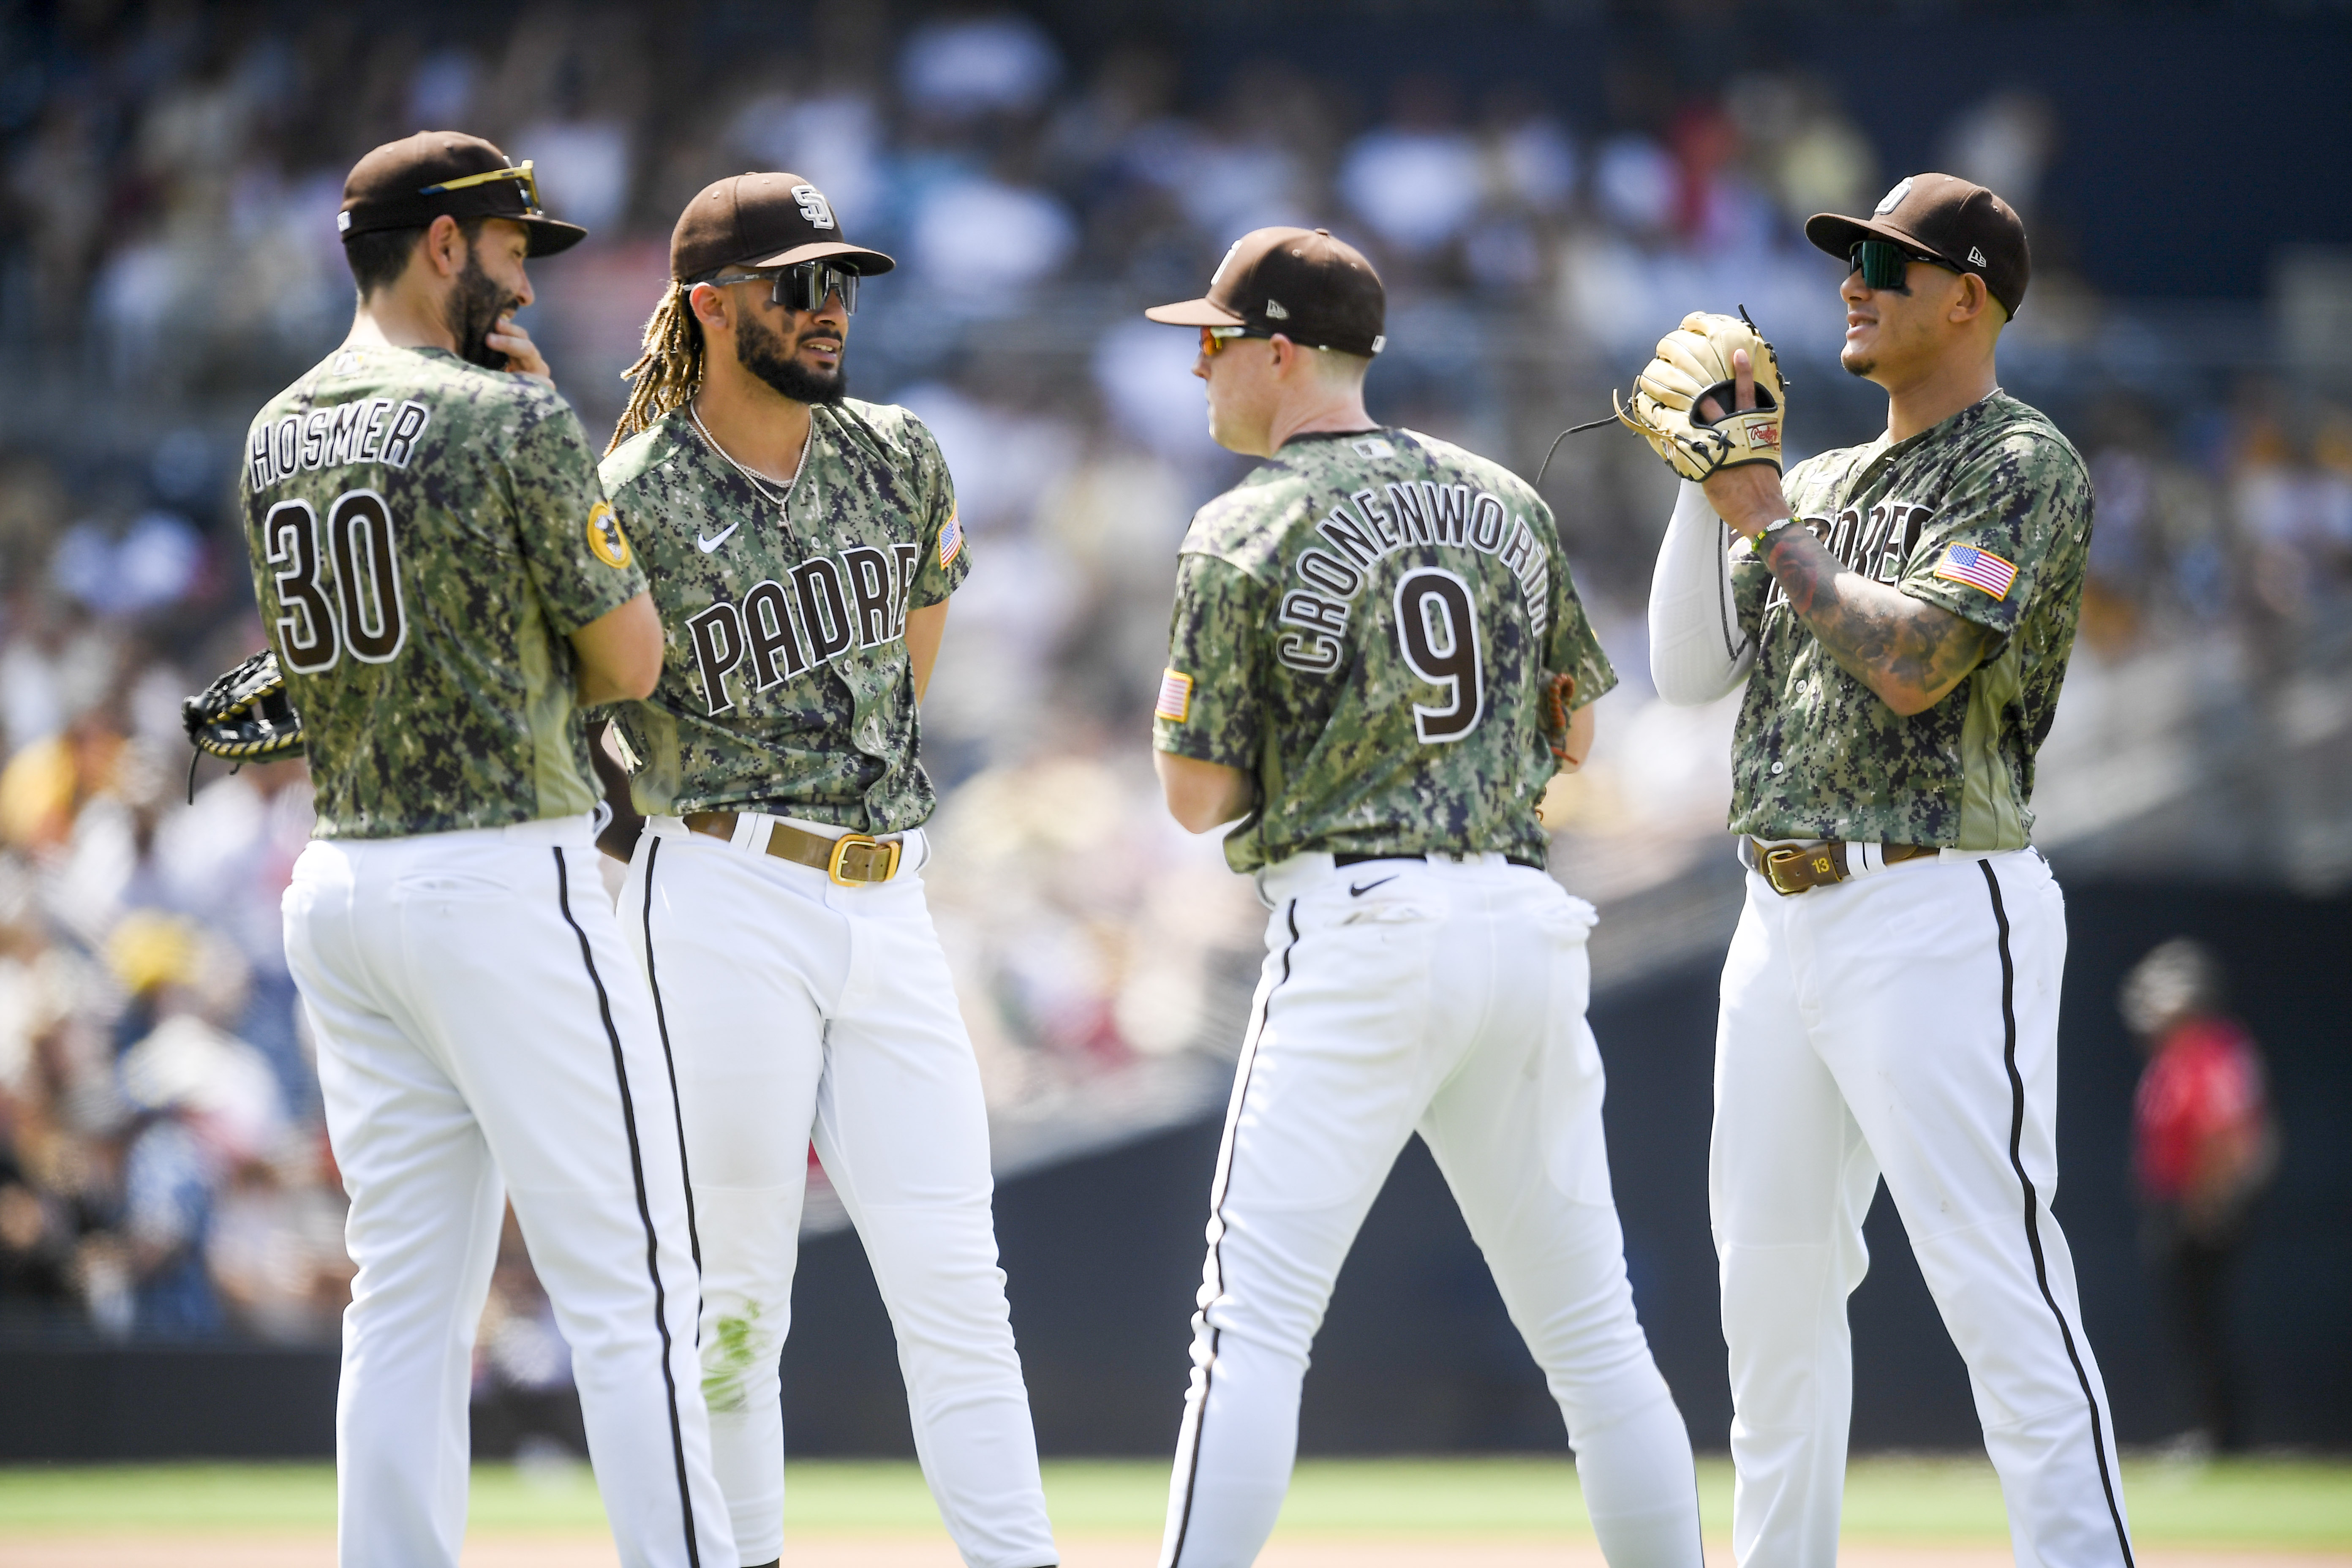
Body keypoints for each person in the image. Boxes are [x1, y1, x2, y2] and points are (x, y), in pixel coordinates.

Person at [1141, 227, 1704, 1568]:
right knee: (1594, 1338)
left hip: (1361, 926)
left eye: (1214, 341)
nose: (1201, 368)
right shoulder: (1504, 499)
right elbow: (1573, 739)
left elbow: (1191, 794)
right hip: (1519, 925)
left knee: (1250, 1330)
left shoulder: (1242, 522)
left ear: (1279, 349)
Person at [247, 132, 734, 1568]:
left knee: (402, 1295)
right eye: (514, 249)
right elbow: (633, 657)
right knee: (632, 1281)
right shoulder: (505, 421)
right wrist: (553, 431)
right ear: (444, 243)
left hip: (341, 879)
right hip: (496, 876)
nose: (527, 284)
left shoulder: (277, 426)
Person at [1643, 173, 2131, 1565]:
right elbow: (1684, 674)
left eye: (1888, 266)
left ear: (1966, 297)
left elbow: (1914, 667)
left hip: (1931, 900)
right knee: (1768, 1303)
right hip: (1772, 916)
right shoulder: (1813, 482)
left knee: (1995, 1284)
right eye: (1849, 259)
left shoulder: (2017, 461)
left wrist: (1757, 515)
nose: (1851, 283)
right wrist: (1707, 485)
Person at [593, 173, 1057, 1568]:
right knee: (737, 1301)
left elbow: (908, 665)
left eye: (839, 281)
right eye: (795, 284)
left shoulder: (897, 452)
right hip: (723, 889)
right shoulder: (635, 491)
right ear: (709, 306)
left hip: (886, 895)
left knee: (957, 1281)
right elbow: (591, 724)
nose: (827, 307)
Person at [2121, 937, 2276, 1452]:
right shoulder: (2174, 1055)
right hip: (2179, 1206)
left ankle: (2225, 1439)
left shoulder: (2212, 1050)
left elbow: (2231, 1135)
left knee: (2209, 1327)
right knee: (2190, 1328)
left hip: (2204, 1209)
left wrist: (2210, 1203)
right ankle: (2210, 1433)